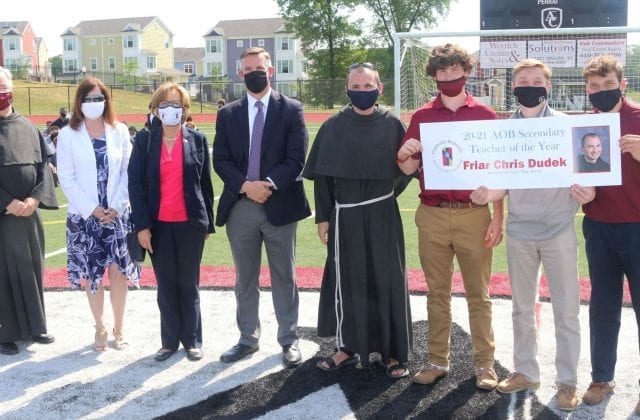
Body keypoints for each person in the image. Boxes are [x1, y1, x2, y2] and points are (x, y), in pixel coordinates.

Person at [470, 59, 595, 411]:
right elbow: (500, 183)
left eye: (536, 80)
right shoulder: (502, 130)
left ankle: (568, 382)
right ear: (513, 86)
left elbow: (589, 174)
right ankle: (526, 370)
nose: (529, 85)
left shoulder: (569, 127)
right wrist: (485, 193)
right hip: (520, 231)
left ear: (548, 86)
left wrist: (590, 192)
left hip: (558, 230)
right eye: (523, 80)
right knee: (522, 308)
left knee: (566, 310)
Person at [396, 44, 503, 390]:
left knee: (479, 293)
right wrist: (404, 155)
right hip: (433, 213)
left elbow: (498, 172)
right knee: (436, 293)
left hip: (474, 214)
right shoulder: (423, 116)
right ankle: (436, 360)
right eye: (441, 72)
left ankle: (484, 364)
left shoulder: (486, 114)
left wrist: (497, 216)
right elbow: (409, 166)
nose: (448, 77)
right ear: (434, 76)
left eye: (454, 70)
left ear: (466, 72)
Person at [303, 63, 412, 378]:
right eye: (356, 86)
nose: (362, 92)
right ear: (347, 89)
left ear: (380, 88)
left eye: (369, 86)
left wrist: (385, 194)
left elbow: (405, 170)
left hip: (382, 214)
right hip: (344, 216)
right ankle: (346, 347)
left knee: (388, 278)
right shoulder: (333, 126)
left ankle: (394, 353)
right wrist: (323, 217)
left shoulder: (392, 124)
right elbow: (322, 177)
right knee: (347, 282)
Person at [213, 47, 311, 367]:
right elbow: (222, 160)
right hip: (241, 205)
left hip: (279, 203)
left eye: (260, 67)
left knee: (285, 275)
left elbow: (296, 158)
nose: (255, 72)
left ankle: (289, 338)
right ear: (240, 74)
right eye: (248, 68)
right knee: (245, 277)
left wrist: (266, 184)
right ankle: (247, 338)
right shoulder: (228, 113)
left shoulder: (291, 109)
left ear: (271, 71)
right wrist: (246, 186)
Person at [129, 82, 214, 362]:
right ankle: (169, 342)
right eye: (164, 105)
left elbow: (205, 184)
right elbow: (136, 186)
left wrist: (207, 223)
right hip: (158, 226)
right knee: (166, 284)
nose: (170, 110)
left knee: (189, 283)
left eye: (176, 104)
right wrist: (142, 226)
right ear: (154, 109)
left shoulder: (197, 140)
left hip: (190, 225)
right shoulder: (144, 141)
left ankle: (192, 340)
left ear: (185, 109)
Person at [57, 77, 140, 352]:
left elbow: (130, 172)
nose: (94, 103)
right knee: (93, 275)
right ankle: (100, 327)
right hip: (85, 217)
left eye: (99, 97)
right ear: (79, 102)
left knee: (118, 274)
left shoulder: (119, 130)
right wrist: (92, 209)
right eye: (88, 98)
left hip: (117, 215)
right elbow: (66, 178)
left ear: (106, 100)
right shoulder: (69, 134)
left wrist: (117, 205)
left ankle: (119, 328)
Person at [577, 55, 640, 415]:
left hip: (638, 227)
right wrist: (583, 191)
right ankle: (602, 377)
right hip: (599, 228)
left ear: (623, 83)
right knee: (603, 306)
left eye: (607, 84)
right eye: (594, 86)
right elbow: (579, 174)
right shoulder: (584, 127)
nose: (600, 91)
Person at [0, 66, 58, 356]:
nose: (1, 95)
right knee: (3, 275)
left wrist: (34, 199)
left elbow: (43, 169)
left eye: (3, 89)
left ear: (11, 89)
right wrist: (6, 202)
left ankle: (36, 326)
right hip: (3, 216)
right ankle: (5, 333)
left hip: (28, 215)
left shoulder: (28, 127)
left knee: (31, 269)